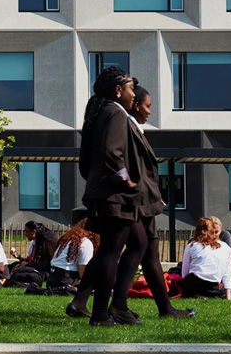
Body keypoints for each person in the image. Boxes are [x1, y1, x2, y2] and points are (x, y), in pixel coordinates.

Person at [74, 66, 147, 326]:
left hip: (104, 192)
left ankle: (117, 306)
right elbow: (111, 151)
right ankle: (101, 314)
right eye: (129, 89)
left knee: (138, 242)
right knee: (110, 251)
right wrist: (125, 179)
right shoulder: (115, 112)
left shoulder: (99, 112)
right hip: (116, 195)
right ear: (118, 90)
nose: (133, 95)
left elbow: (85, 161)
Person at [180, 217, 231, 299]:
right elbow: (227, 273)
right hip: (213, 287)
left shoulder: (192, 245)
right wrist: (228, 297)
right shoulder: (226, 248)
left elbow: (184, 272)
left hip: (193, 283)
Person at [48, 219, 97, 289]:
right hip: (66, 279)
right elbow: (83, 275)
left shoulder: (68, 240)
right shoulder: (86, 243)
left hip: (52, 278)